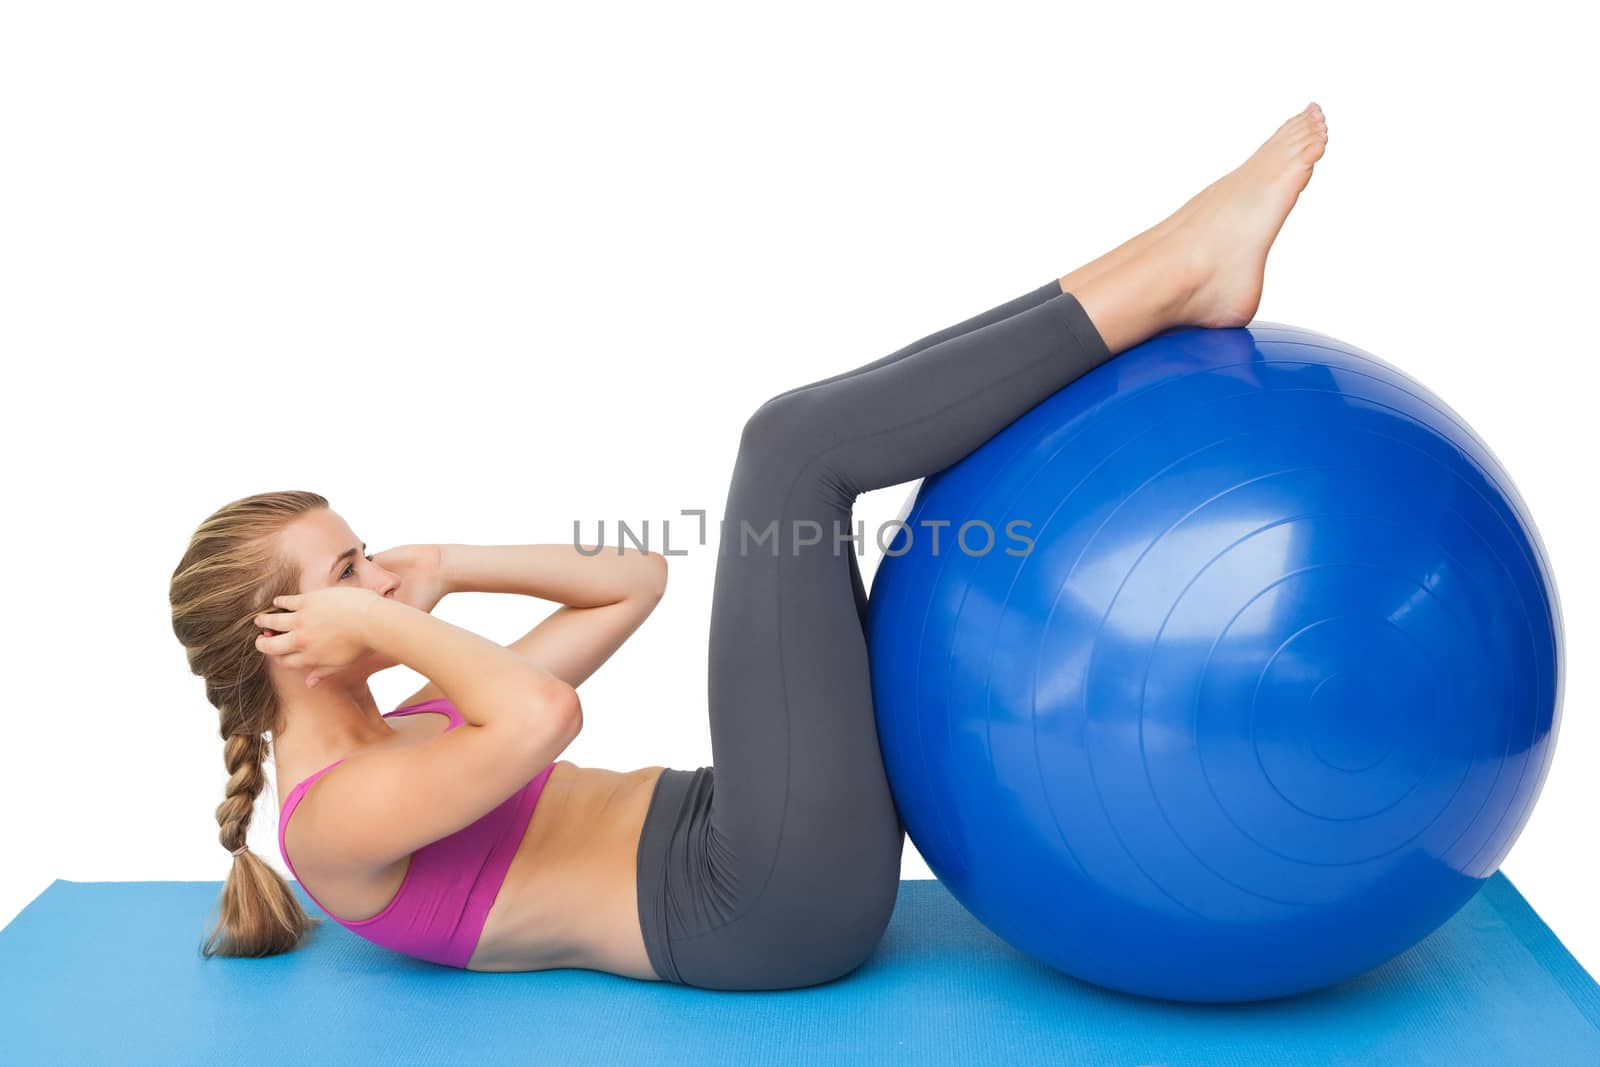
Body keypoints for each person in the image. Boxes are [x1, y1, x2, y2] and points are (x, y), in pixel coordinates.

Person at [169, 102, 1329, 988]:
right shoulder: (331, 817)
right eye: (344, 575)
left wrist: (448, 565)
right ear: (287, 640)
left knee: (799, 452)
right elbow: (541, 719)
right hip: (754, 903)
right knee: (791, 452)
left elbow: (631, 583)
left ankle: (1169, 268)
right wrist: (389, 621)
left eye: (362, 551)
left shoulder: (406, 724)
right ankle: (1175, 265)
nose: (374, 577)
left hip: (754, 832)